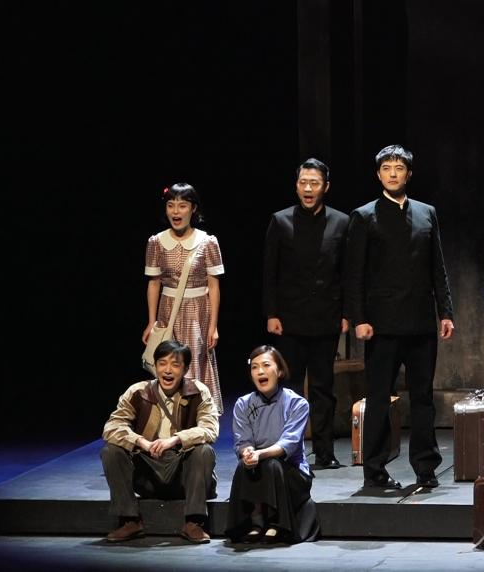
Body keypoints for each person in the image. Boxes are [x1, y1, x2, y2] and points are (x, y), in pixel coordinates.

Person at [344, 144, 455, 490]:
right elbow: (354, 273)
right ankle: (375, 469)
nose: (393, 173)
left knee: (422, 397)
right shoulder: (364, 216)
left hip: (420, 321)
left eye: (399, 168)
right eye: (387, 168)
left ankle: (426, 467)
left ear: (409, 173)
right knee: (379, 397)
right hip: (381, 324)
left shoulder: (426, 213)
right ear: (378, 175)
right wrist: (359, 318)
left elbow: (437, 266)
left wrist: (445, 311)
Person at [263, 158, 349, 470]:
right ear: (296, 186)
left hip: (327, 316)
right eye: (303, 183)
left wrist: (347, 313)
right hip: (290, 319)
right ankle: (292, 449)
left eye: (314, 183)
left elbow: (347, 272)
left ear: (326, 186)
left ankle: (325, 452)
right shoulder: (280, 221)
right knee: (291, 388)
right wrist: (271, 313)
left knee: (324, 388)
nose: (308, 189)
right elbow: (270, 272)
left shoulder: (341, 222)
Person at [100, 340, 219, 543]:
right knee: (111, 451)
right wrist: (141, 442)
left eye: (175, 364)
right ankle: (130, 521)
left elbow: (210, 429)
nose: (168, 370)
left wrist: (176, 440)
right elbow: (111, 427)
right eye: (162, 363)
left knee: (204, 451)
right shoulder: (138, 392)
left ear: (185, 369)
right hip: (148, 471)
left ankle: (194, 522)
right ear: (155, 366)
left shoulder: (198, 391)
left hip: (183, 472)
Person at [143, 183, 225, 413]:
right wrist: (151, 322)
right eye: (171, 206)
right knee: (168, 361)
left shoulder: (207, 242)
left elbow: (214, 286)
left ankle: (196, 413)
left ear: (193, 209)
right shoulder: (156, 242)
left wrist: (214, 326)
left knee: (195, 360)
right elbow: (154, 283)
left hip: (198, 312)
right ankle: (170, 415)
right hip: (167, 311)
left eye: (182, 206)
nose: (176, 211)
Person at [225, 346, 321, 543]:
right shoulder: (243, 404)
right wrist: (248, 452)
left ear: (279, 371)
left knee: (271, 464)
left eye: (266, 365)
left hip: (292, 474)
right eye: (254, 367)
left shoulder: (297, 403)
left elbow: (288, 444)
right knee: (245, 465)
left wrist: (260, 454)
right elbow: (243, 440)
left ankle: (276, 523)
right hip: (259, 466)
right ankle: (253, 522)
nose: (260, 371)